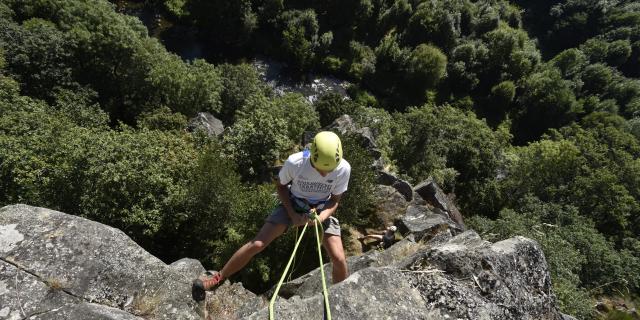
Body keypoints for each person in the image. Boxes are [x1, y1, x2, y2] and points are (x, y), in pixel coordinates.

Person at [192, 131, 351, 300]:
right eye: (320, 169)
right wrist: (292, 214)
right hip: (293, 203)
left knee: (339, 258)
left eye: (329, 170)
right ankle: (219, 277)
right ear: (311, 157)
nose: (324, 174)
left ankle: (341, 297)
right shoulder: (296, 162)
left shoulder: (343, 169)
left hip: (321, 210)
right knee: (257, 244)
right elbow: (281, 187)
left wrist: (322, 217)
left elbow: (334, 200)